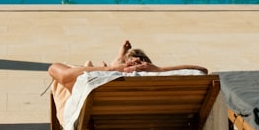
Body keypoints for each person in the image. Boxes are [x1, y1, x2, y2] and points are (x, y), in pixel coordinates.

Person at [48, 40, 208, 93]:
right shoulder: (164, 77)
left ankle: (109, 62)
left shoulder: (103, 78)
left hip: (104, 121)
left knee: (73, 70)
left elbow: (55, 69)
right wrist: (159, 70)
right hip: (157, 122)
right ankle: (116, 58)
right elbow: (202, 71)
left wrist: (109, 69)